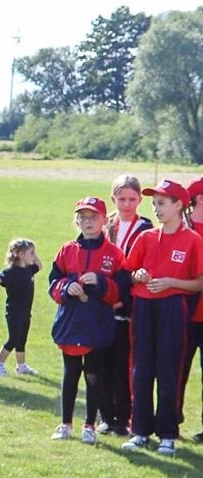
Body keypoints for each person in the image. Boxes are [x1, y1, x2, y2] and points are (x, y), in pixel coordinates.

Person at [122, 179, 203, 456]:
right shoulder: (144, 238)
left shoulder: (193, 240)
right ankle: (140, 431)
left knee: (169, 371)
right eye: (154, 204)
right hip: (143, 308)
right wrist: (138, 276)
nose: (156, 209)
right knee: (141, 369)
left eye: (162, 203)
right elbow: (129, 273)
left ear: (179, 205)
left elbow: (199, 282)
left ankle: (167, 433)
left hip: (172, 309)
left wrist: (171, 283)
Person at [45, 198, 125, 444]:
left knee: (94, 375)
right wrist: (67, 287)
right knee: (70, 374)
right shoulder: (67, 250)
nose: (88, 222)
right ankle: (65, 423)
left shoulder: (114, 254)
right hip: (71, 322)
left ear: (104, 220)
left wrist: (101, 284)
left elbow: (121, 291)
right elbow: (52, 284)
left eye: (94, 217)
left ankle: (90, 424)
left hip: (97, 324)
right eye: (83, 217)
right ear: (77, 220)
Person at [101, 175, 150, 437]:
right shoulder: (104, 223)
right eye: (122, 199)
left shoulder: (147, 227)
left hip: (131, 303)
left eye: (132, 199)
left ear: (140, 200)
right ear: (113, 199)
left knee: (123, 362)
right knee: (100, 361)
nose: (127, 204)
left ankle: (124, 417)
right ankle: (105, 416)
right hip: (102, 303)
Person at [0, 239, 41, 377]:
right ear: (20, 254)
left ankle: (21, 366)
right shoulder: (11, 272)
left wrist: (34, 255)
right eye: (31, 253)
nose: (34, 256)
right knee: (13, 339)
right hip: (14, 313)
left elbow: (39, 266)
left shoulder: (29, 270)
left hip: (25, 312)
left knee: (22, 340)